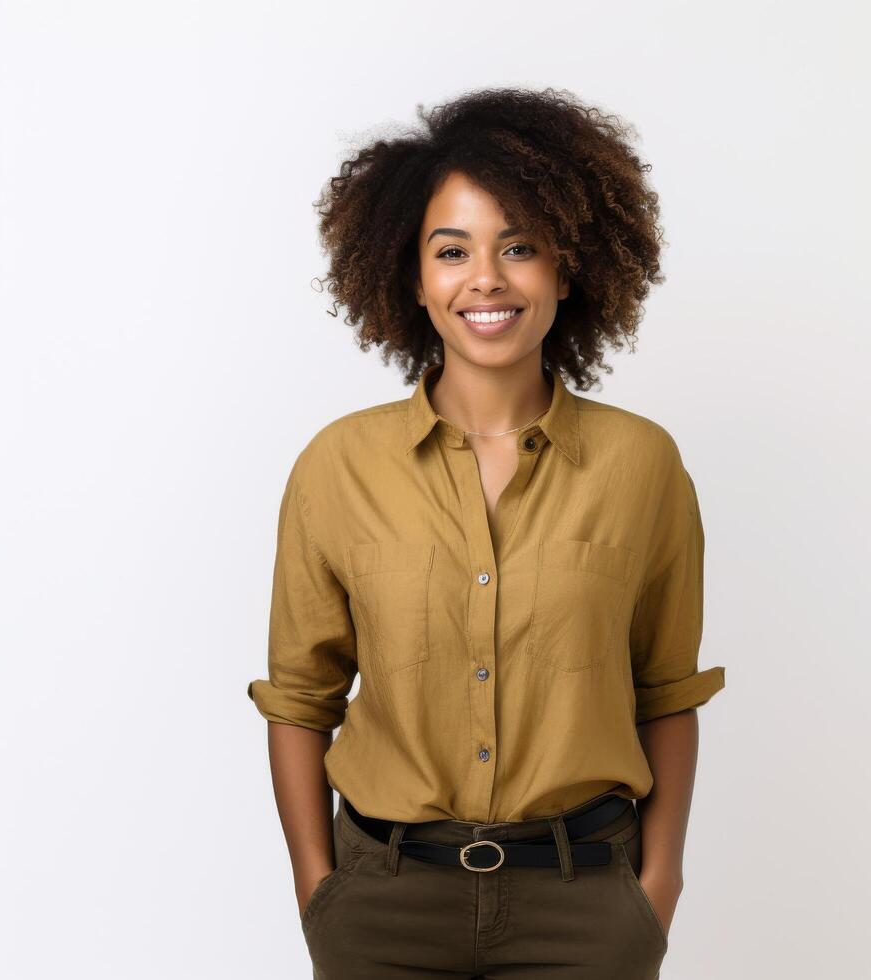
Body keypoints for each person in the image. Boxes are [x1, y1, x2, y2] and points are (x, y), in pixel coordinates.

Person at [246, 86, 726, 979]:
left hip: (585, 909)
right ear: (413, 276)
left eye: (520, 247)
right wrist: (322, 892)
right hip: (382, 908)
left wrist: (656, 892)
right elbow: (300, 699)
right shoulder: (337, 467)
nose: (487, 279)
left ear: (568, 268)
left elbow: (667, 693)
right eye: (452, 250)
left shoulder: (640, 465)